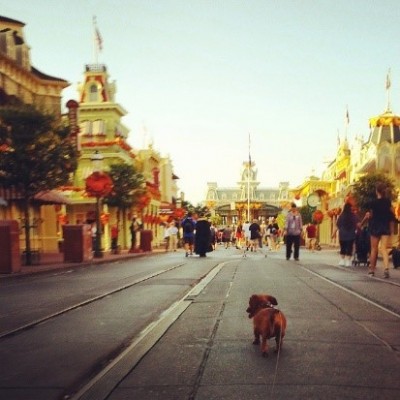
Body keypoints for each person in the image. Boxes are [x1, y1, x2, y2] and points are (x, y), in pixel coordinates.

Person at [363, 182, 395, 278]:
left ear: (377, 191)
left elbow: (371, 215)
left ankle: (372, 270)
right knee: (384, 248)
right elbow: (392, 214)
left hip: (375, 227)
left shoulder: (373, 203)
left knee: (374, 249)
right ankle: (386, 269)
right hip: (385, 227)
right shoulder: (388, 202)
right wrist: (392, 228)